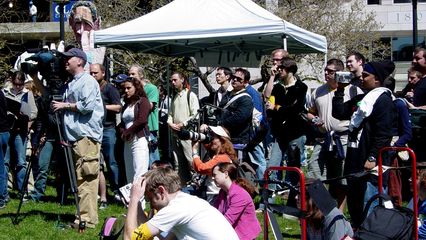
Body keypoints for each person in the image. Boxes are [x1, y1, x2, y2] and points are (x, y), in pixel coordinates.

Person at [332, 61, 396, 228]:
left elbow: (384, 133)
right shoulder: (362, 98)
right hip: (354, 159)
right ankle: (357, 229)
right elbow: (339, 112)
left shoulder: (384, 100)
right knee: (355, 202)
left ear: (377, 80)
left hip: (370, 161)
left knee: (370, 202)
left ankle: (370, 233)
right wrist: (339, 89)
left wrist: (374, 156)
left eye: (366, 75)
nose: (361, 78)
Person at [51, 48, 104, 229]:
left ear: (80, 61)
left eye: (69, 58)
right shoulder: (73, 82)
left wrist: (65, 105)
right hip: (77, 137)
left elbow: (87, 106)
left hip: (86, 136)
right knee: (80, 178)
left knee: (87, 177)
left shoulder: (87, 81)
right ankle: (82, 215)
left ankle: (87, 220)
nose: (65, 61)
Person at [306, 59, 363, 210]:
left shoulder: (354, 91)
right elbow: (310, 113)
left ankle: (339, 214)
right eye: (325, 70)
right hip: (323, 138)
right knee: (314, 173)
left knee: (341, 179)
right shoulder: (318, 91)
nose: (326, 73)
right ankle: (321, 211)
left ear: (339, 73)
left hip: (343, 139)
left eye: (330, 71)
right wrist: (314, 119)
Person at [124, 167, 239, 240]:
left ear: (161, 191)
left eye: (149, 199)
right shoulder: (187, 201)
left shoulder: (174, 209)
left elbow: (130, 238)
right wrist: (137, 207)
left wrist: (134, 199)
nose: (151, 205)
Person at [265, 57, 308, 207]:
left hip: (295, 133)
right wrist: (278, 109)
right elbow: (269, 109)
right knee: (271, 166)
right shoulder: (277, 87)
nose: (278, 71)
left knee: (293, 168)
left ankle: (292, 204)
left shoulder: (301, 87)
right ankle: (268, 203)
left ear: (289, 70)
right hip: (279, 134)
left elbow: (296, 109)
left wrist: (277, 108)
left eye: (281, 69)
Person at [90, 63, 122, 209]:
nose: (92, 75)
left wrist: (102, 107)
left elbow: (118, 107)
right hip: (94, 129)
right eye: (91, 73)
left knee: (112, 162)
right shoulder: (91, 88)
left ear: (103, 73)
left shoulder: (110, 88)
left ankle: (116, 190)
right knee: (97, 163)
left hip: (108, 129)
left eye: (95, 73)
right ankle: (99, 193)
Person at [3, 71, 37, 193]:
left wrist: (26, 123)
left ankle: (23, 188)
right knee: (5, 161)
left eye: (20, 84)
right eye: (16, 84)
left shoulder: (27, 94)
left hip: (20, 130)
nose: (18, 86)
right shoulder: (4, 93)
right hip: (6, 129)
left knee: (21, 161)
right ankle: (5, 188)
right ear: (12, 82)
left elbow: (33, 113)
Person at [212, 162, 261, 239]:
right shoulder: (223, 191)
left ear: (226, 174)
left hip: (244, 235)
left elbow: (228, 220)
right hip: (232, 233)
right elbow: (215, 212)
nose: (212, 178)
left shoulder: (239, 194)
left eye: (215, 175)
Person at [167, 71, 200, 183]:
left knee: (191, 162)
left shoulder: (190, 95)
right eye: (171, 80)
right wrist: (170, 123)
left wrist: (183, 124)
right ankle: (183, 186)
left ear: (182, 80)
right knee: (178, 163)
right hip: (175, 134)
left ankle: (196, 185)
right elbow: (170, 114)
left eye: (175, 80)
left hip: (187, 134)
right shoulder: (175, 96)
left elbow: (195, 114)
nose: (172, 82)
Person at [191, 126, 236, 202]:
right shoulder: (218, 154)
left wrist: (194, 152)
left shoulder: (223, 158)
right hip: (211, 194)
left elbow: (201, 168)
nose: (211, 140)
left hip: (216, 196)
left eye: (213, 137)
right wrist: (202, 133)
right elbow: (206, 143)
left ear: (222, 140)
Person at [119, 77, 151, 184]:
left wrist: (128, 132)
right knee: (129, 172)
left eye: (129, 88)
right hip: (127, 141)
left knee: (139, 172)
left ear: (136, 88)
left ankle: (139, 200)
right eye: (124, 88)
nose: (126, 91)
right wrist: (122, 131)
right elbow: (122, 122)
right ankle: (130, 199)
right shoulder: (126, 104)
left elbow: (142, 120)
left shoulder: (144, 101)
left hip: (139, 139)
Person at [129, 65, 160, 166]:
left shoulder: (151, 88)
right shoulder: (131, 89)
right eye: (129, 74)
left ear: (141, 75)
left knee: (152, 160)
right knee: (141, 161)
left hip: (149, 128)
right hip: (137, 129)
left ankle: (158, 180)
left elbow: (148, 107)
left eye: (133, 74)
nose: (130, 76)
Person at [0, 90, 10, 208]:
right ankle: (4, 194)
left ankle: (1, 198)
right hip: (4, 132)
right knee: (2, 166)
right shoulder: (1, 93)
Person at [157, 84, 171, 164]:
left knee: (166, 143)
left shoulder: (167, 100)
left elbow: (170, 110)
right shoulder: (160, 99)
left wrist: (161, 110)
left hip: (166, 123)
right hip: (161, 123)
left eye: (158, 90)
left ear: (162, 91)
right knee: (162, 143)